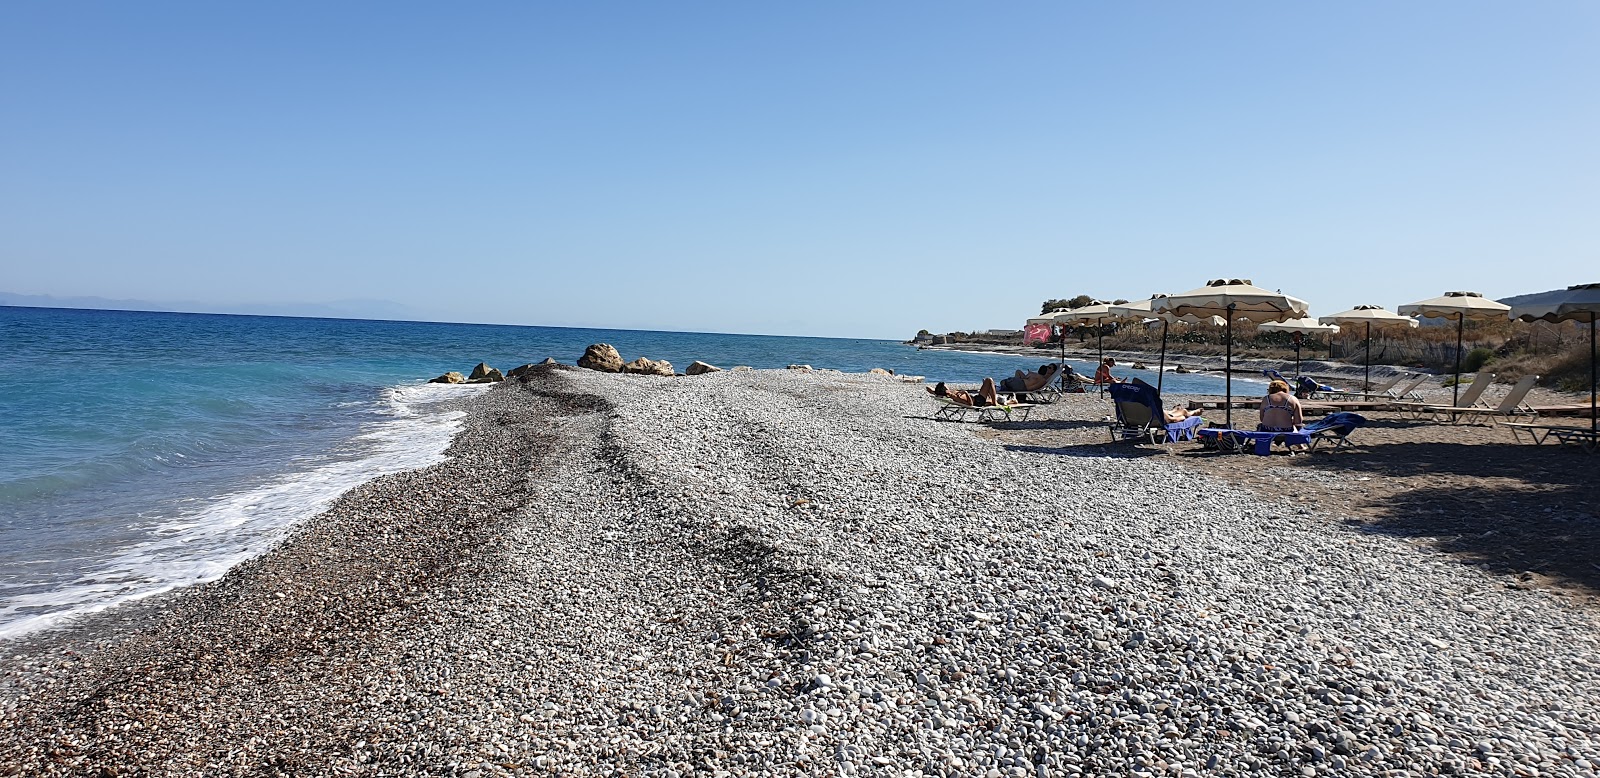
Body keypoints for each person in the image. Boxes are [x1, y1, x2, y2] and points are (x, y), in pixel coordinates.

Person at [928, 378, 1003, 407]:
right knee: (989, 380)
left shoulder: (949, 394)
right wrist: (965, 392)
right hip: (978, 401)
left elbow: (928, 388)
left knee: (986, 382)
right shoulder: (954, 396)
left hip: (977, 398)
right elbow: (970, 404)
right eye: (946, 386)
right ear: (945, 390)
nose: (947, 385)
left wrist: (936, 392)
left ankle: (995, 400)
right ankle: (994, 402)